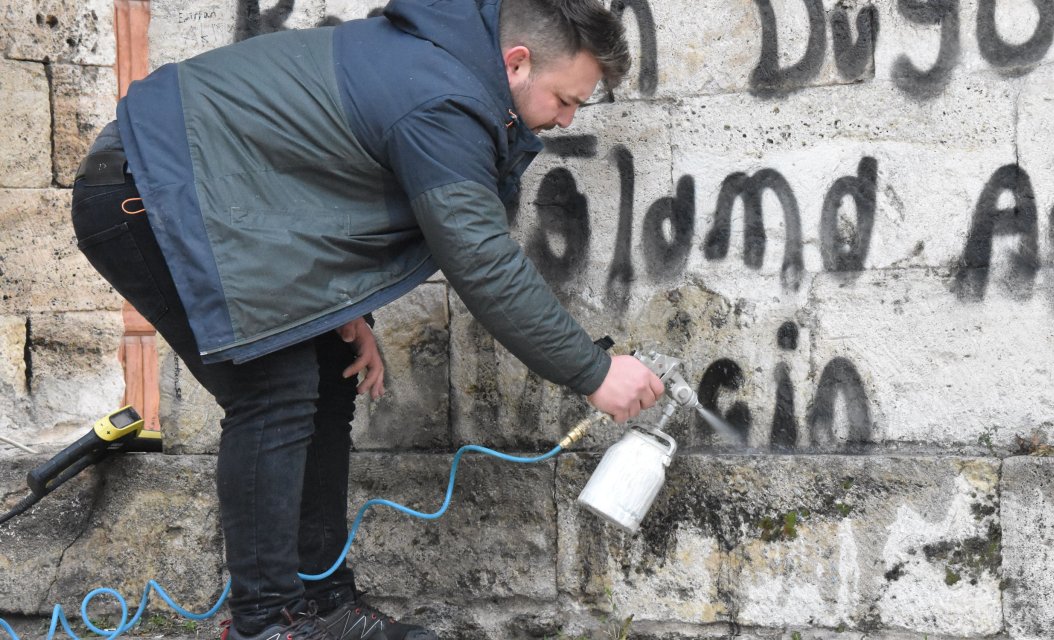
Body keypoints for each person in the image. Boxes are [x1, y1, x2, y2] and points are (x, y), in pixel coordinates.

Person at [68, 0, 665, 638]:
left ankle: (324, 605)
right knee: (274, 389)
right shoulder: (444, 98)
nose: (564, 120)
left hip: (216, 197)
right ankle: (267, 623)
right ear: (516, 63)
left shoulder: (440, 70)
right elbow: (482, 262)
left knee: (327, 369)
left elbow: (308, 168)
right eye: (566, 99)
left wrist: (341, 309)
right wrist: (594, 372)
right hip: (146, 189)